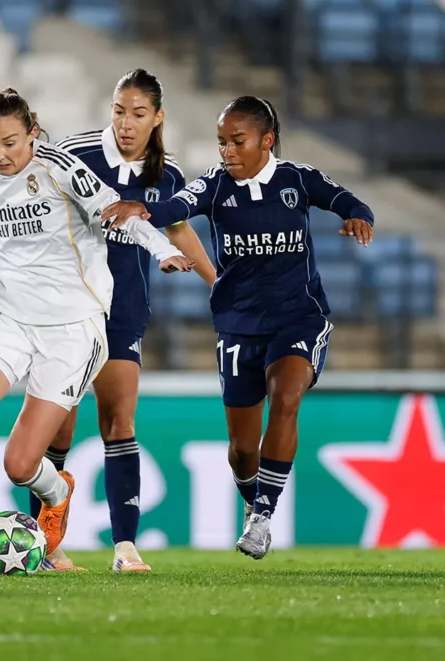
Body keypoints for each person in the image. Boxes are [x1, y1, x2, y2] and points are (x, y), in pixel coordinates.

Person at [0, 88, 196, 577]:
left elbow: (121, 215)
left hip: (74, 327)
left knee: (19, 464)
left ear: (33, 131)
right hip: (8, 316)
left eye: (9, 142)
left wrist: (163, 252)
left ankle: (60, 492)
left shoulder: (62, 169)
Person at [0, 69, 216, 574]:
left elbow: (180, 231)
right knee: (59, 433)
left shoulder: (167, 175)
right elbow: (19, 211)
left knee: (119, 421)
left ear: (157, 118)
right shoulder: (77, 153)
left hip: (123, 313)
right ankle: (48, 549)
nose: (126, 123)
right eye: (120, 111)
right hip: (67, 311)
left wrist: (218, 283)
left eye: (138, 114)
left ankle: (125, 549)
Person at [101, 96, 374, 559]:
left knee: (286, 396)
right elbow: (175, 207)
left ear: (266, 141)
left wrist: (358, 216)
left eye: (237, 141)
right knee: (242, 450)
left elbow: (346, 199)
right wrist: (140, 209)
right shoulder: (214, 185)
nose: (227, 150)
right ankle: (254, 503)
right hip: (238, 324)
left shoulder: (297, 180)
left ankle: (263, 517)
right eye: (222, 141)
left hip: (298, 317)